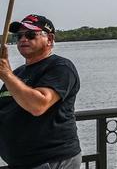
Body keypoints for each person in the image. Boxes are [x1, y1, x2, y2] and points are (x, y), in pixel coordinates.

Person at [0, 14, 82, 169]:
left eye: (31, 35)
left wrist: (6, 75)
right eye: (19, 36)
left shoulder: (61, 67)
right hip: (20, 161)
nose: (23, 39)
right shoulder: (17, 74)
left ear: (49, 39)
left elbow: (38, 105)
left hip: (51, 160)